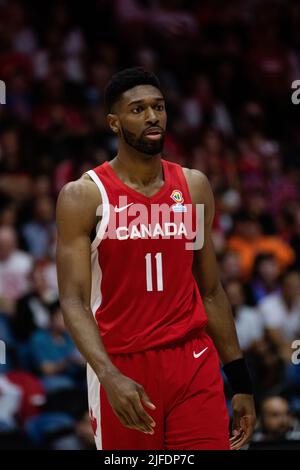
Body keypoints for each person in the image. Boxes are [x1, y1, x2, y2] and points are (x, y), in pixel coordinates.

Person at [56, 67, 256, 450]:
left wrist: (240, 380)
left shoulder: (193, 186)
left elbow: (211, 291)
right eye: (138, 109)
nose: (152, 117)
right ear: (114, 122)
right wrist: (108, 375)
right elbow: (73, 301)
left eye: (159, 107)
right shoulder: (84, 196)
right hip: (124, 364)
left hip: (193, 358)